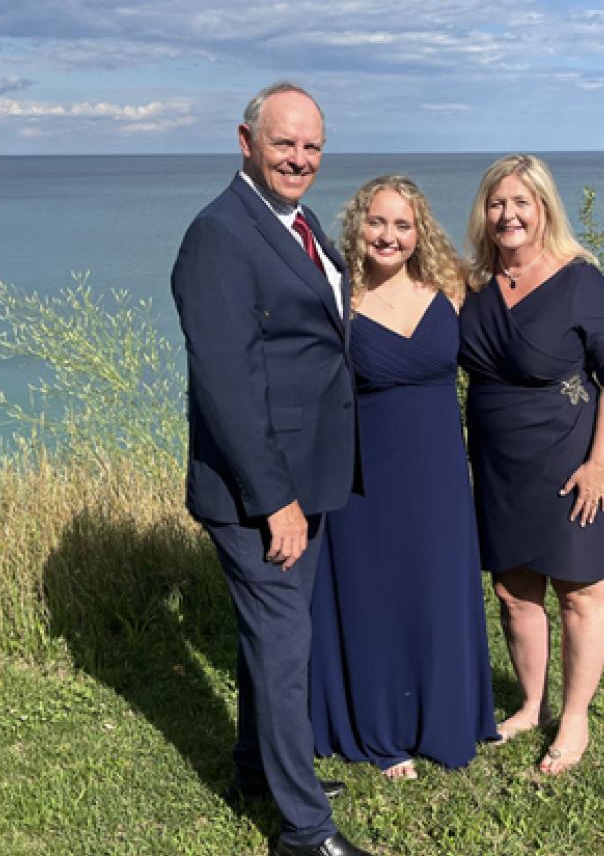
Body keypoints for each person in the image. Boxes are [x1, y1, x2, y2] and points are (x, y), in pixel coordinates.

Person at [170, 81, 375, 856]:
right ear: (246, 141)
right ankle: (304, 832)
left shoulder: (300, 223)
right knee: (287, 647)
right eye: (285, 143)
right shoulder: (219, 235)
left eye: (313, 147)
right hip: (262, 492)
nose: (301, 158)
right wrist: (275, 501)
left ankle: (259, 767)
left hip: (302, 474)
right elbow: (226, 383)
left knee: (274, 640)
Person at [309, 176, 499, 781]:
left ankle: (445, 717)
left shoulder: (453, 286)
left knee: (437, 590)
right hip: (366, 480)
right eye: (378, 223)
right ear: (359, 226)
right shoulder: (339, 298)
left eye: (403, 225)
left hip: (440, 474)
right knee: (377, 597)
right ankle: (384, 731)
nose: (389, 236)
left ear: (421, 233)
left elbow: (526, 284)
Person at [457, 154, 604, 775]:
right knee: (512, 590)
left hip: (569, 458)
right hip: (498, 460)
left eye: (520, 203)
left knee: (580, 589)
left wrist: (598, 464)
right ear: (484, 213)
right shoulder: (471, 284)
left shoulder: (579, 279)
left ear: (543, 210)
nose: (507, 214)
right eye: (496, 203)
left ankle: (576, 716)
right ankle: (530, 705)